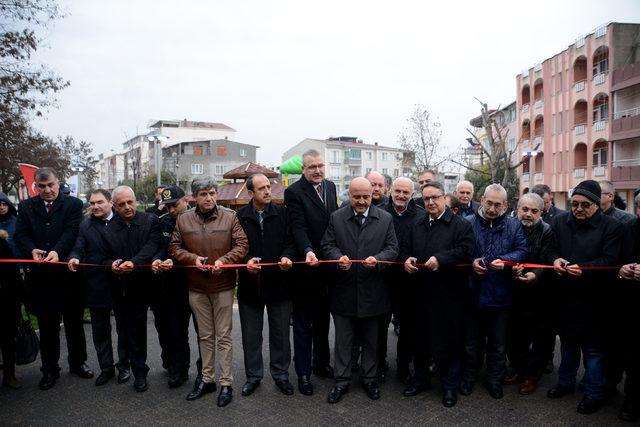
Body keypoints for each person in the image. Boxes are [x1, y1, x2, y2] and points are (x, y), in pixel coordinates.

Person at [169, 177, 249, 406]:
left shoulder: (230, 216)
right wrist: (192, 259)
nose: (209, 198)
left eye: (212, 193)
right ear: (194, 197)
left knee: (223, 336)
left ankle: (226, 383)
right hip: (196, 286)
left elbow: (242, 244)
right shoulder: (183, 220)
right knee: (204, 336)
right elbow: (174, 247)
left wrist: (225, 260)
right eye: (203, 194)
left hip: (223, 285)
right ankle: (207, 379)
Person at [546, 180, 623, 415]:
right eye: (575, 204)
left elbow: (611, 260)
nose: (578, 209)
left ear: (597, 206)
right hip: (566, 298)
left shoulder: (612, 227)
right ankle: (565, 383)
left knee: (594, 352)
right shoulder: (559, 221)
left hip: (595, 301)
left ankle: (593, 393)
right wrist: (555, 260)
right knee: (568, 347)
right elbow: (550, 249)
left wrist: (585, 269)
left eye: (585, 205)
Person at [321, 177, 399, 404]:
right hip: (344, 290)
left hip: (374, 290)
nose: (362, 201)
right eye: (357, 197)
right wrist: (337, 258)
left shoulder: (385, 218)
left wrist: (379, 259)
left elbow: (393, 248)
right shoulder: (337, 217)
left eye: (366, 197)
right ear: (349, 195)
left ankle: (370, 379)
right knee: (343, 340)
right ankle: (341, 381)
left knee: (371, 340)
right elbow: (327, 244)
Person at [14, 167, 92, 390]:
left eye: (51, 185)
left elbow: (72, 232)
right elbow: (21, 234)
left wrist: (57, 251)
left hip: (69, 275)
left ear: (58, 183)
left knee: (74, 323)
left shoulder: (74, 205)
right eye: (42, 186)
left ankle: (78, 363)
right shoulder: (26, 207)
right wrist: (32, 250)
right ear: (35, 187)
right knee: (48, 327)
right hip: (41, 279)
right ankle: (49, 369)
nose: (47, 190)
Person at [402, 181, 475, 408]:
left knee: (449, 343)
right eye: (426, 199)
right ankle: (421, 380)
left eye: (435, 197)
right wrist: (406, 260)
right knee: (420, 340)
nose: (431, 202)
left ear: (445, 198)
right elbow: (405, 248)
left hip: (449, 295)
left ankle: (449, 387)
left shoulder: (460, 225)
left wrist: (441, 259)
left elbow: (466, 250)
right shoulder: (416, 223)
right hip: (421, 293)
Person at [461, 184, 528, 399]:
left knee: (498, 345)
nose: (492, 208)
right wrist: (472, 262)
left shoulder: (513, 225)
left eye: (498, 205)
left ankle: (494, 380)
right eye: (489, 202)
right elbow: (459, 250)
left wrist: (506, 261)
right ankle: (469, 378)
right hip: (473, 293)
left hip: (501, 295)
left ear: (506, 205)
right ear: (481, 200)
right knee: (471, 343)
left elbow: (523, 250)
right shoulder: (467, 223)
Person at [284, 149, 338, 396]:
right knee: (304, 324)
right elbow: (298, 226)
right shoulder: (293, 192)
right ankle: (303, 373)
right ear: (303, 169)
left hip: (328, 268)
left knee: (322, 321)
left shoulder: (330, 187)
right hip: (306, 269)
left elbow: (333, 221)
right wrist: (307, 249)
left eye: (320, 166)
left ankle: (321, 363)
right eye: (311, 167)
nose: (317, 170)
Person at [237, 174, 296, 397]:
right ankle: (253, 376)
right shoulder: (240, 216)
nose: (268, 191)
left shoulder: (283, 213)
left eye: (269, 187)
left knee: (280, 334)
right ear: (250, 193)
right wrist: (245, 262)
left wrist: (287, 256)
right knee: (251, 336)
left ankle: (281, 375)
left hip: (279, 284)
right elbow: (234, 246)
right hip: (250, 286)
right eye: (261, 188)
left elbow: (291, 242)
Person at [101, 186, 161, 393]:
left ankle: (140, 372)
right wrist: (113, 265)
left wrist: (133, 263)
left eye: (130, 202)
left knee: (138, 332)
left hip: (144, 286)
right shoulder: (108, 229)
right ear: (114, 206)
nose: (127, 207)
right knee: (123, 330)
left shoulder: (150, 220)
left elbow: (151, 247)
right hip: (120, 287)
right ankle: (125, 366)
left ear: (136, 200)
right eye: (121, 204)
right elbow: (104, 258)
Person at [68, 189, 130, 386]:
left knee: (124, 328)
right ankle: (106, 368)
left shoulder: (122, 221)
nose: (95, 206)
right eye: (92, 203)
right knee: (100, 330)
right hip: (96, 284)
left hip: (121, 282)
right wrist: (74, 257)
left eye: (99, 202)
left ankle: (124, 367)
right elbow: (78, 246)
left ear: (110, 202)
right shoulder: (85, 226)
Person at [503, 193, 557, 396]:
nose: (528, 214)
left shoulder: (547, 230)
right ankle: (518, 369)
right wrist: (511, 270)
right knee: (514, 336)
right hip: (513, 291)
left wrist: (534, 274)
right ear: (517, 208)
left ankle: (532, 376)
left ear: (541, 213)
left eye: (534, 211)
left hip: (540, 294)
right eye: (524, 209)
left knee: (540, 338)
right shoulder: (508, 226)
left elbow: (546, 257)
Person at [149, 186, 193, 389]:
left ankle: (180, 370)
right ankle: (169, 361)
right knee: (164, 327)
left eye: (175, 205)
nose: (172, 210)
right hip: (163, 282)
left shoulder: (196, 220)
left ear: (185, 200)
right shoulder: (163, 222)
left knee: (179, 329)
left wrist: (174, 262)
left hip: (188, 283)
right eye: (167, 206)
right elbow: (159, 246)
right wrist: (157, 260)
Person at [382, 177, 423, 383]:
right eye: (397, 191)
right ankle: (379, 365)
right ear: (390, 191)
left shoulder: (421, 216)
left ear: (412, 194)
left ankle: (403, 367)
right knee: (379, 326)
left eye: (406, 192)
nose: (401, 196)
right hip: (381, 279)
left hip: (409, 281)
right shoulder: (379, 212)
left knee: (408, 327)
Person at [615, 192, 640, 422]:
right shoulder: (629, 228)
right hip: (632, 306)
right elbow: (616, 259)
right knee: (632, 359)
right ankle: (631, 402)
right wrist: (621, 270)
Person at [0, 228, 20, 389]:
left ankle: (9, 374)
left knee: (7, 340)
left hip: (5, 301)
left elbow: (13, 273)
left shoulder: (2, 244)